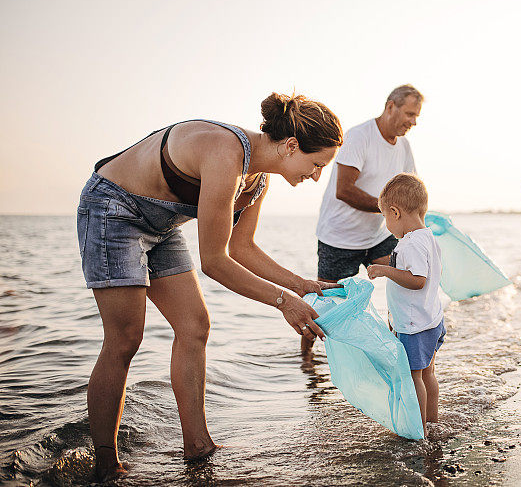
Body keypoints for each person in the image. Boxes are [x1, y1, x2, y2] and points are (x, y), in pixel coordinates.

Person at [76, 93, 342, 481]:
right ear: (291, 146)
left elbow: (242, 248)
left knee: (195, 326)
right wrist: (283, 302)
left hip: (159, 226)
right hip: (113, 209)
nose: (316, 175)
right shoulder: (225, 152)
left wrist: (300, 285)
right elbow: (215, 262)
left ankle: (198, 446)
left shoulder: (257, 180)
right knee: (125, 338)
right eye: (316, 164)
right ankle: (106, 463)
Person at [306, 85, 423, 352]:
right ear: (390, 106)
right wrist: (389, 209)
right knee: (324, 304)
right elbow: (344, 190)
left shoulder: (404, 147)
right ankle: (306, 362)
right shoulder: (359, 136)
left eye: (417, 116)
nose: (413, 122)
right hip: (339, 237)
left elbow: (412, 191)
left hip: (380, 236)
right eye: (409, 114)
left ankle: (399, 353)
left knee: (404, 284)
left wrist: (420, 228)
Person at [367, 173, 444, 437]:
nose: (386, 224)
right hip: (430, 319)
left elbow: (417, 281)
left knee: (414, 379)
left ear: (395, 212)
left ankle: (419, 431)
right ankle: (433, 423)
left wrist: (384, 270)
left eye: (385, 218)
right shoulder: (428, 238)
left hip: (415, 326)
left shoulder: (410, 244)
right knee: (428, 374)